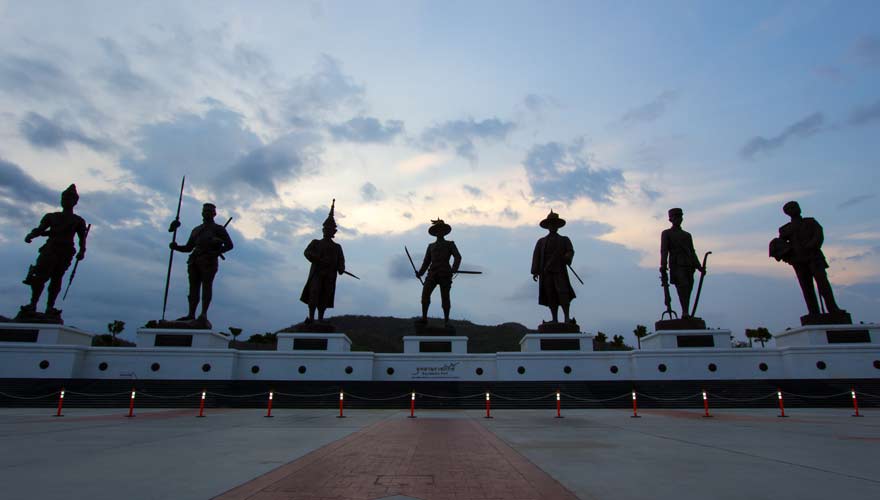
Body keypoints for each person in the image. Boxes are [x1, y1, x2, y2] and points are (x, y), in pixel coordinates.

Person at [21, 184, 88, 318]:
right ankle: (33, 304)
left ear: (75, 202)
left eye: (69, 198)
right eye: (64, 198)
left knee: (57, 278)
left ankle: (50, 307)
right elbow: (40, 229)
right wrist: (31, 235)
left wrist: (82, 251)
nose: (65, 201)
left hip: (65, 251)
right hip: (50, 248)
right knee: (40, 277)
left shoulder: (78, 221)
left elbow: (82, 238)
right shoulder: (51, 216)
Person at [770, 201, 842, 316]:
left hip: (814, 257)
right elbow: (781, 244)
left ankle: (833, 309)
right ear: (787, 213)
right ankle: (813, 312)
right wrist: (784, 251)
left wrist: (811, 246)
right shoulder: (785, 229)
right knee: (806, 287)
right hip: (798, 261)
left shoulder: (810, 222)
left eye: (796, 207)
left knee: (823, 284)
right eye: (791, 208)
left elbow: (819, 235)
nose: (795, 209)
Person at [169, 203, 233, 325]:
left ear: (214, 214)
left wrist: (216, 251)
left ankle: (203, 314)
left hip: (208, 261)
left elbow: (230, 245)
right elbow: (188, 247)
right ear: (202, 213)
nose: (206, 213)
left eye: (209, 211)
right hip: (194, 260)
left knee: (206, 286)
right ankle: (191, 314)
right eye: (205, 211)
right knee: (193, 287)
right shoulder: (196, 230)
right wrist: (176, 247)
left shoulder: (218, 229)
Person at [300, 200, 345, 322]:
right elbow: (307, 253)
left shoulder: (337, 247)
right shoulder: (316, 243)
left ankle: (320, 318)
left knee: (325, 296)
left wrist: (341, 268)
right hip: (317, 274)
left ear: (333, 232)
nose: (327, 230)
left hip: (330, 276)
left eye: (330, 229)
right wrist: (318, 259)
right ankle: (311, 318)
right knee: (314, 294)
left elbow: (341, 261)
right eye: (325, 228)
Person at [531, 210, 576, 323]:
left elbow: (570, 251)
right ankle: (554, 319)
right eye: (550, 224)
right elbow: (536, 256)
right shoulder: (541, 242)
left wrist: (567, 256)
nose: (552, 226)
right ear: (548, 226)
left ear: (558, 226)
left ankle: (566, 318)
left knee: (563, 293)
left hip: (559, 271)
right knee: (550, 294)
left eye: (554, 224)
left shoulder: (564, 240)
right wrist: (535, 271)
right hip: (546, 272)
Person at [660, 208, 704, 318]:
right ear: (671, 219)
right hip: (676, 264)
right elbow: (664, 250)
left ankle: (686, 311)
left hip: (688, 265)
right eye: (676, 217)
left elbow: (692, 251)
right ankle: (685, 312)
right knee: (682, 286)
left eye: (680, 216)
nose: (679, 219)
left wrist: (699, 266)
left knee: (689, 288)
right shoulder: (667, 233)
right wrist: (663, 265)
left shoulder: (687, 235)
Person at [416, 219, 461, 326]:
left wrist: (454, 268)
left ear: (444, 232)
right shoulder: (431, 246)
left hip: (445, 274)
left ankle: (446, 320)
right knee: (425, 295)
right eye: (437, 230)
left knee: (445, 297)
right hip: (432, 274)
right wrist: (421, 273)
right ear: (435, 232)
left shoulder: (450, 244)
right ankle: (424, 318)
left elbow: (458, 257)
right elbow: (426, 261)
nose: (439, 232)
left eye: (441, 230)